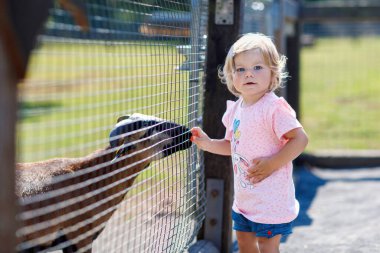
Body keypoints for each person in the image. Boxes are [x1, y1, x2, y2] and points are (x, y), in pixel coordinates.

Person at [190, 33, 308, 253]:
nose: (248, 74)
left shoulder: (273, 108)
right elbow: (232, 145)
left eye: (257, 67)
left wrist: (272, 163)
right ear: (231, 76)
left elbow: (300, 139)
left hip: (272, 199)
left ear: (273, 72)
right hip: (246, 199)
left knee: (267, 246)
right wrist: (207, 144)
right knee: (244, 243)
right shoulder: (236, 109)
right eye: (240, 69)